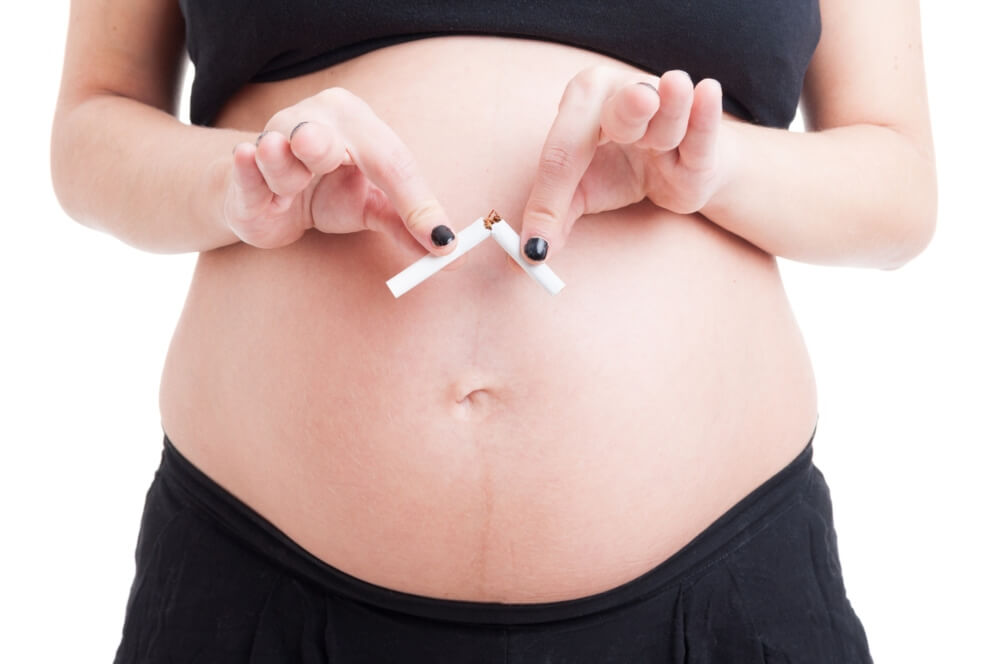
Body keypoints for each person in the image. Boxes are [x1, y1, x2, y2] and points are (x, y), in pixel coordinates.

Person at [50, 0, 935, 661]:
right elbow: (93, 124)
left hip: (716, 591)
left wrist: (715, 166)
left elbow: (899, 189)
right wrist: (235, 185)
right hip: (255, 581)